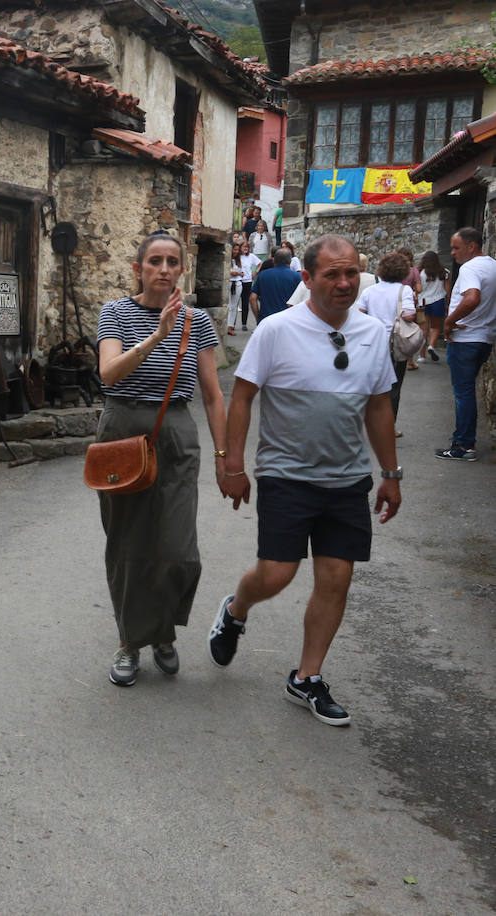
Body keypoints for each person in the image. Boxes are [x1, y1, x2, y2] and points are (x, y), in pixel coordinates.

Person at [210, 234, 401, 727]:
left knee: (336, 578)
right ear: (307, 278)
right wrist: (232, 466)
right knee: (277, 574)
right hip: (286, 473)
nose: (343, 283)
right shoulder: (276, 330)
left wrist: (390, 473)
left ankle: (307, 678)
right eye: (331, 275)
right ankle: (235, 609)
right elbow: (243, 396)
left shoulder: (372, 333)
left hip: (347, 479)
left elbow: (379, 406)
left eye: (351, 273)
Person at [94, 233, 229, 687]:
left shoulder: (197, 322)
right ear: (139, 269)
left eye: (173, 261)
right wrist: (156, 337)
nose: (164, 269)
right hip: (122, 431)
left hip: (175, 433)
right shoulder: (115, 313)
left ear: (182, 269)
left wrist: (224, 456)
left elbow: (212, 396)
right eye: (155, 261)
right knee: (129, 545)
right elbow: (109, 373)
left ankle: (163, 630)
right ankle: (131, 642)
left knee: (177, 550)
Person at [435, 227, 496, 461]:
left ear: (472, 246)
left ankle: (463, 445)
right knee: (467, 390)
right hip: (484, 338)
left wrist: (449, 321)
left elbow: (472, 297)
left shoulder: (470, 268)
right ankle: (464, 442)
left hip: (465, 339)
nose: (452, 253)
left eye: (456, 247)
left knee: (463, 392)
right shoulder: (492, 265)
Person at [356, 252, 417, 433]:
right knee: (394, 387)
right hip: (396, 344)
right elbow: (409, 315)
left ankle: (366, 422)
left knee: (372, 383)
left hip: (373, 344)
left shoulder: (370, 290)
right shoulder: (403, 290)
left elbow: (359, 314)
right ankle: (389, 427)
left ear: (381, 270)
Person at [249, 248, 299, 323]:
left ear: (273, 260)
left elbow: (252, 298)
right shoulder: (297, 277)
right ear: (290, 261)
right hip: (288, 321)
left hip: (267, 320)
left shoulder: (263, 275)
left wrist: (258, 318)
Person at [417, 249, 448, 363]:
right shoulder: (444, 272)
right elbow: (447, 289)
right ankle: (431, 345)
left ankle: (422, 356)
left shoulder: (420, 272)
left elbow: (417, 289)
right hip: (438, 301)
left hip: (423, 302)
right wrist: (448, 303)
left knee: (423, 330)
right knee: (435, 327)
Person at [228, 241, 260, 335]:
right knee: (231, 305)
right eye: (236, 249)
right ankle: (230, 324)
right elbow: (231, 271)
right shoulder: (233, 258)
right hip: (232, 282)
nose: (237, 251)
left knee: (243, 303)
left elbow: (260, 263)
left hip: (243, 282)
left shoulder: (247, 257)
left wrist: (255, 273)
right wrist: (236, 273)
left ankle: (242, 323)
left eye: (247, 247)